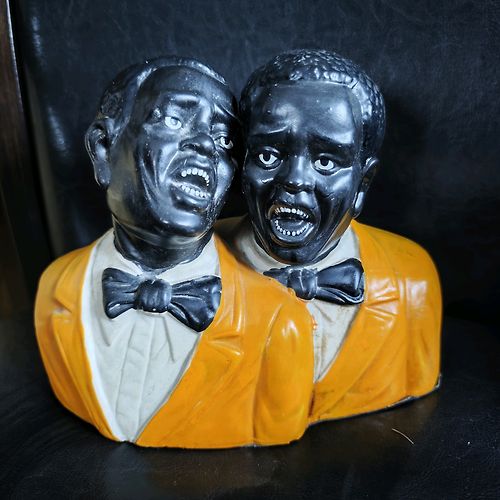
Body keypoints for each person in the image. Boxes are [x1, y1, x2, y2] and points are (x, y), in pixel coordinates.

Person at [35, 57, 314, 448]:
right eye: (173, 119)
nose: (205, 145)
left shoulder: (278, 324)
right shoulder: (55, 291)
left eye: (224, 140)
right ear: (103, 149)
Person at [218, 49, 442, 422]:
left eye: (325, 161)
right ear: (242, 165)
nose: (295, 180)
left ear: (362, 183)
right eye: (269, 155)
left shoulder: (412, 282)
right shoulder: (194, 268)